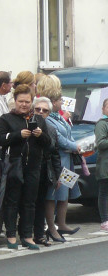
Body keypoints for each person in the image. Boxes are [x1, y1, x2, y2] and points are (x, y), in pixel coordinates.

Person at [0, 85, 50, 250]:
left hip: (34, 166)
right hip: (14, 164)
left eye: (27, 101)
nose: (24, 105)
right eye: (21, 101)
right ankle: (11, 235)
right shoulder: (6, 118)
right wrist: (17, 135)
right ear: (15, 101)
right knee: (12, 201)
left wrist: (40, 135)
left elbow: (49, 143)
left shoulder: (39, 119)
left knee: (30, 202)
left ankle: (27, 235)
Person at [41, 80, 81, 238]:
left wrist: (72, 144)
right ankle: (52, 227)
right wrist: (74, 146)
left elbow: (67, 133)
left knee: (64, 193)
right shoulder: (48, 119)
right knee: (53, 194)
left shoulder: (59, 117)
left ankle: (62, 223)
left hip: (67, 159)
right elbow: (58, 138)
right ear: (52, 102)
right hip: (58, 160)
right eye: (59, 101)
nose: (62, 103)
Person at [31, 97, 62, 244]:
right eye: (38, 109)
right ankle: (26, 233)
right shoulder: (27, 124)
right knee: (27, 203)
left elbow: (55, 153)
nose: (41, 112)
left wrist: (57, 175)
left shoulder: (51, 129)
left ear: (49, 113)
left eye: (45, 110)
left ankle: (39, 234)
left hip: (44, 169)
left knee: (41, 202)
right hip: (28, 169)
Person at [94, 98, 108, 233]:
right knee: (104, 193)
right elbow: (101, 143)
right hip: (105, 165)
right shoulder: (102, 124)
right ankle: (105, 220)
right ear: (103, 109)